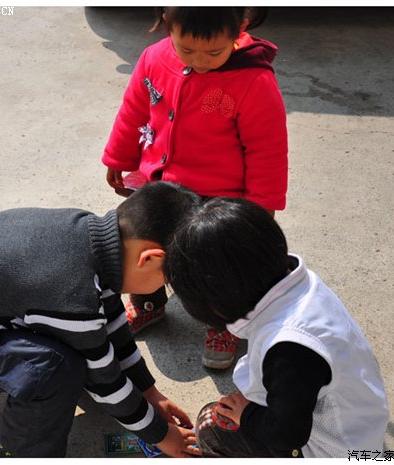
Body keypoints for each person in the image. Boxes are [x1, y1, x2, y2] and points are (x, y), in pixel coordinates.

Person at [0, 181, 201, 458]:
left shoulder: (93, 238)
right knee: (52, 371)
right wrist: (161, 435)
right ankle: (16, 448)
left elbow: (113, 322)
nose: (163, 286)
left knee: (85, 340)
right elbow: (105, 381)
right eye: (165, 280)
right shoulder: (73, 293)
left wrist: (148, 392)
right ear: (149, 259)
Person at [102, 7, 289, 370]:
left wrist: (261, 205)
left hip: (219, 196)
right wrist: (118, 156)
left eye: (214, 51)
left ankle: (224, 323)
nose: (200, 61)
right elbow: (134, 110)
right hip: (158, 185)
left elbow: (267, 149)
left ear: (240, 29)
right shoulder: (153, 58)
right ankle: (148, 302)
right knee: (141, 243)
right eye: (186, 49)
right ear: (167, 24)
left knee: (217, 264)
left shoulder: (253, 81)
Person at [163, 197, 390, 458]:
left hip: (334, 452)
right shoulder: (300, 285)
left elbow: (287, 434)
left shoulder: (289, 350)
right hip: (363, 426)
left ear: (218, 303)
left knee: (210, 427)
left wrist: (247, 415)